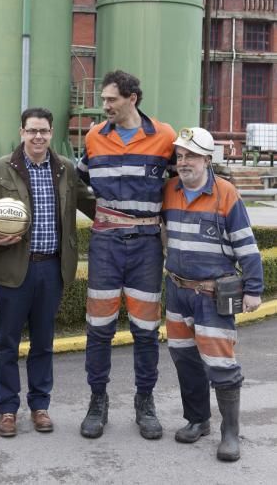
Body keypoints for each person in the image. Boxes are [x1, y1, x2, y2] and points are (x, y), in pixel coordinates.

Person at [0, 107, 95, 437]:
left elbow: (92, 203)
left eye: (43, 131)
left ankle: (40, 406)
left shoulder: (65, 170)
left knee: (43, 343)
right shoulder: (0, 169)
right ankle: (7, 409)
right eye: (32, 131)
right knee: (7, 343)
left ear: (51, 133)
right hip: (13, 269)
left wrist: (130, 213)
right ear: (22, 132)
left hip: (52, 269)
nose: (38, 136)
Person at [78, 70, 176, 440]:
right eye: (104, 99)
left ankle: (145, 402)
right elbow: (81, 182)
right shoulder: (93, 137)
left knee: (146, 331)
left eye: (112, 99)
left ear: (133, 98)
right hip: (104, 245)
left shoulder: (164, 137)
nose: (105, 105)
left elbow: (181, 181)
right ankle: (97, 401)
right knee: (98, 329)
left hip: (146, 247)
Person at [162, 126, 263, 462]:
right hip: (177, 291)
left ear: (207, 159)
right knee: (185, 360)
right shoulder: (170, 190)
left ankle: (230, 432)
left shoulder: (226, 193)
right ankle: (197, 420)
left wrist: (254, 289)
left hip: (211, 295)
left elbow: (246, 245)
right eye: (180, 155)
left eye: (191, 155)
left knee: (220, 365)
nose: (184, 161)